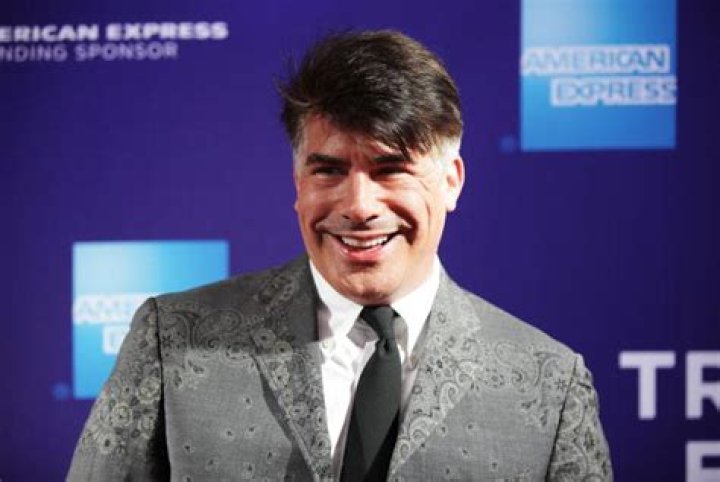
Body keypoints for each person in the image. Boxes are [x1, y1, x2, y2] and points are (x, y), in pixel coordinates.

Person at [68, 30, 612, 481]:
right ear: (297, 183)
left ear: (451, 181)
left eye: (390, 170)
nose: (358, 206)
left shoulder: (549, 383)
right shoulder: (171, 340)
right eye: (328, 170)